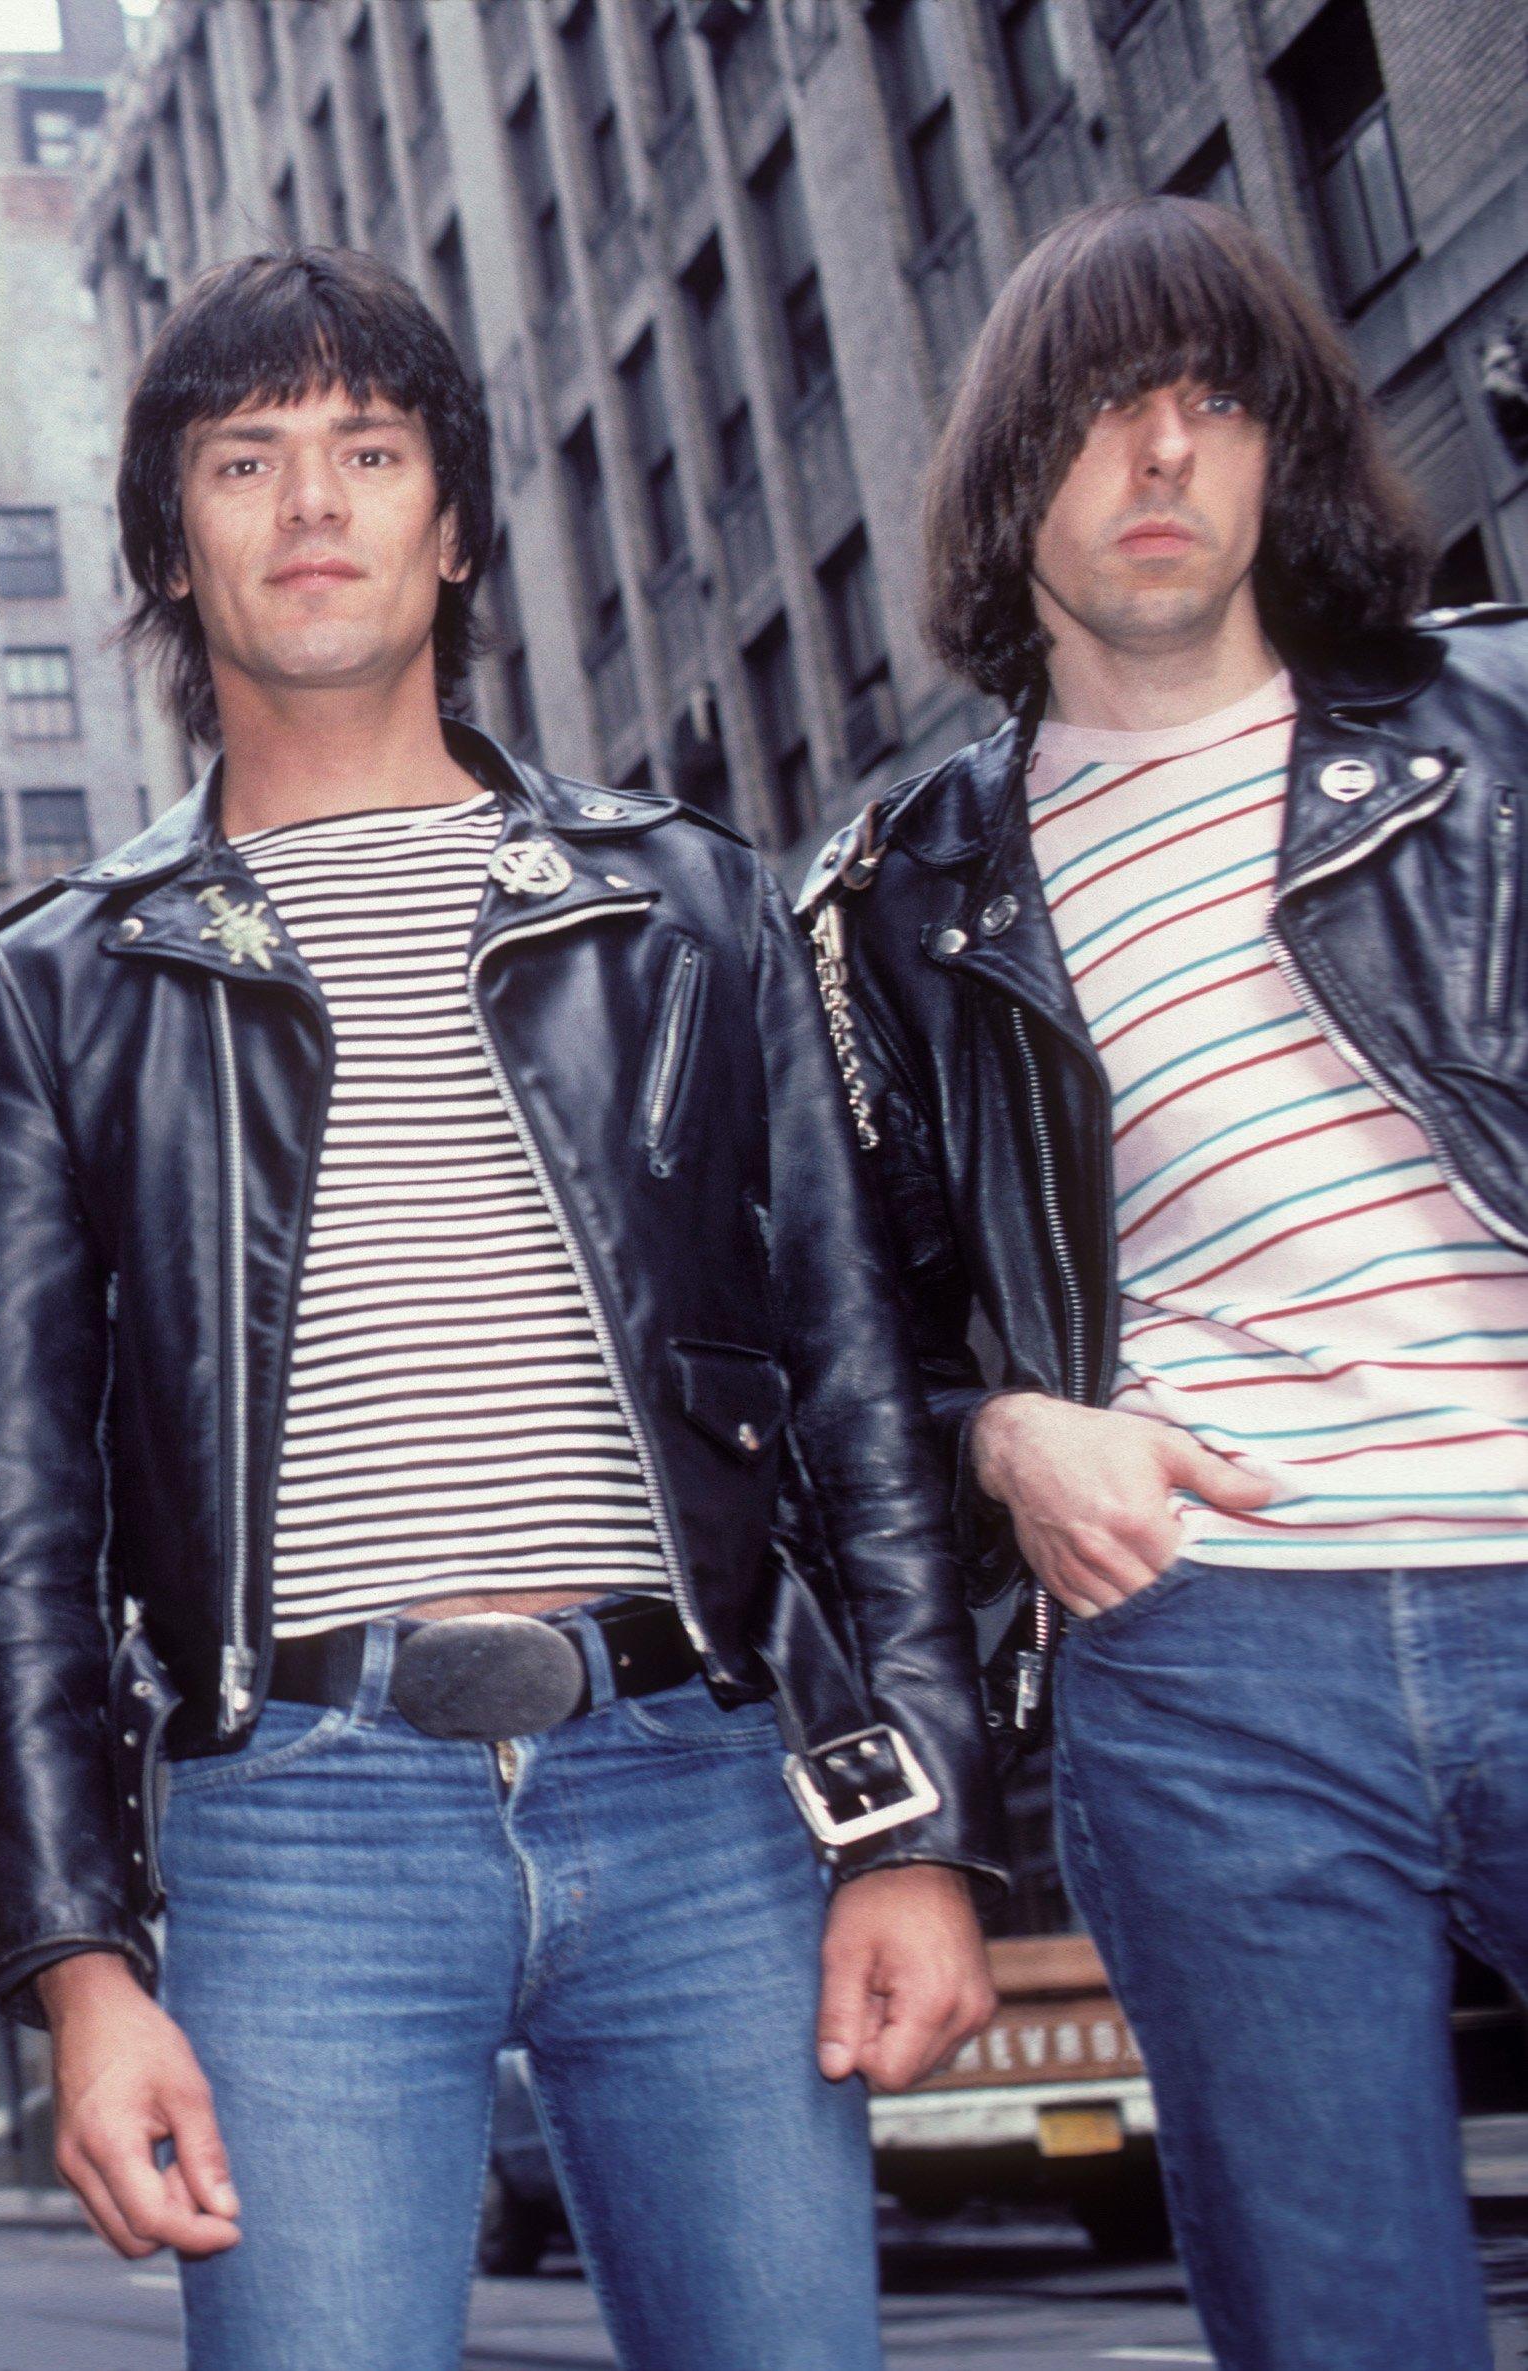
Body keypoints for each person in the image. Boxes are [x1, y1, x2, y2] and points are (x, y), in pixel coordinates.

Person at [0, 247, 997, 2371]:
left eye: (371, 449)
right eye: (246, 459)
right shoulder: (60, 980)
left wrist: (920, 1825)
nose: (312, 504)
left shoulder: (682, 899)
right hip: (296, 1820)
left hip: (702, 1780)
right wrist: (81, 1961)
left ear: (458, 524)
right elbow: (20, 1523)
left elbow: (853, 1385)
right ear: (170, 537)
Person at [806, 194, 1528, 2371]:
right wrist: (1003, 1425)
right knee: (1342, 2324)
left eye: (1214, 411)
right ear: (1008, 476)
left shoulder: (1497, 732)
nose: (1159, 462)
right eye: (1104, 417)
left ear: (1282, 455)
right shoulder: (904, 888)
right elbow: (848, 1357)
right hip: (1210, 1668)